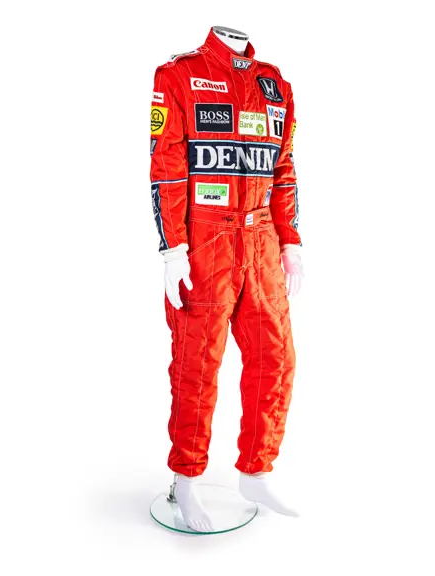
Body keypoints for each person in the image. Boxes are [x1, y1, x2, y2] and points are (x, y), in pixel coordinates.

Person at [150, 26, 304, 532]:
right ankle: (185, 480)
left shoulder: (275, 84)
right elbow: (166, 166)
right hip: (205, 244)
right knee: (196, 366)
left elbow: (283, 168)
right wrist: (174, 249)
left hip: (261, 244)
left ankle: (256, 471)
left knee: (276, 358)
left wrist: (290, 241)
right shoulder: (180, 75)